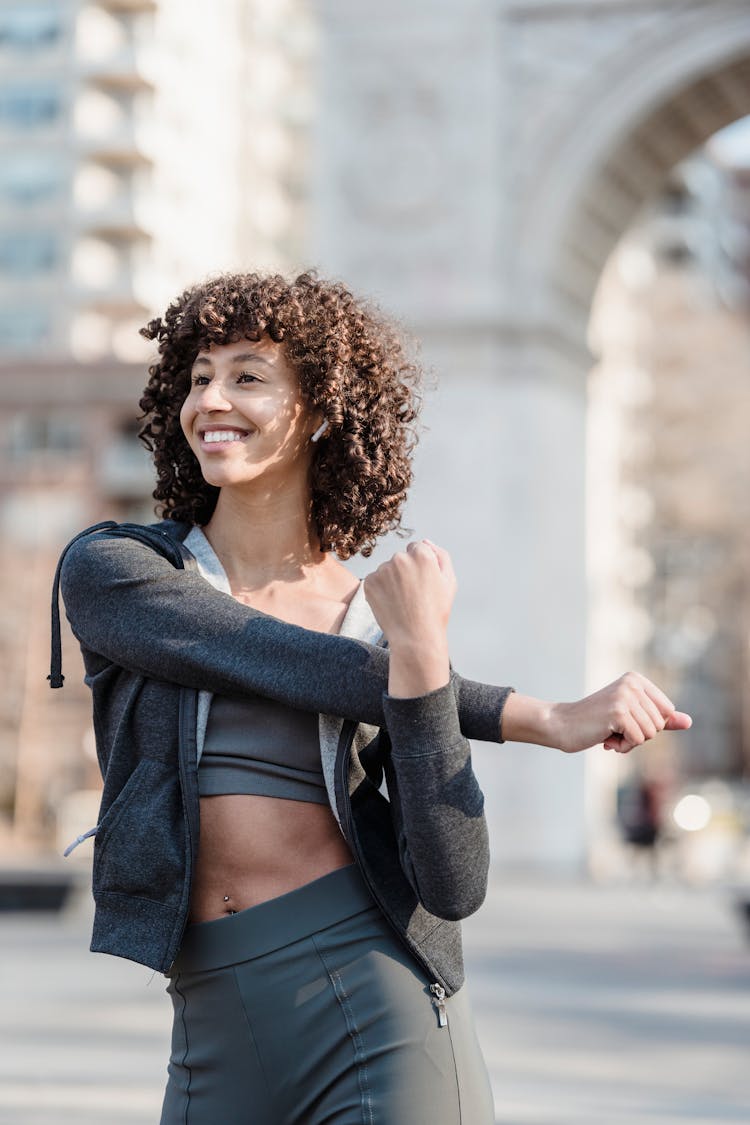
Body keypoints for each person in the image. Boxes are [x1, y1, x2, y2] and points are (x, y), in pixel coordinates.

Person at [53, 271, 691, 1125]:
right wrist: (539, 716)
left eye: (248, 375)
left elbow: (455, 883)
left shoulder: (378, 620)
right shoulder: (119, 571)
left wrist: (423, 666)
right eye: (200, 374)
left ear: (319, 411)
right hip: (210, 1023)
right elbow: (272, 659)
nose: (213, 397)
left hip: (378, 1006)